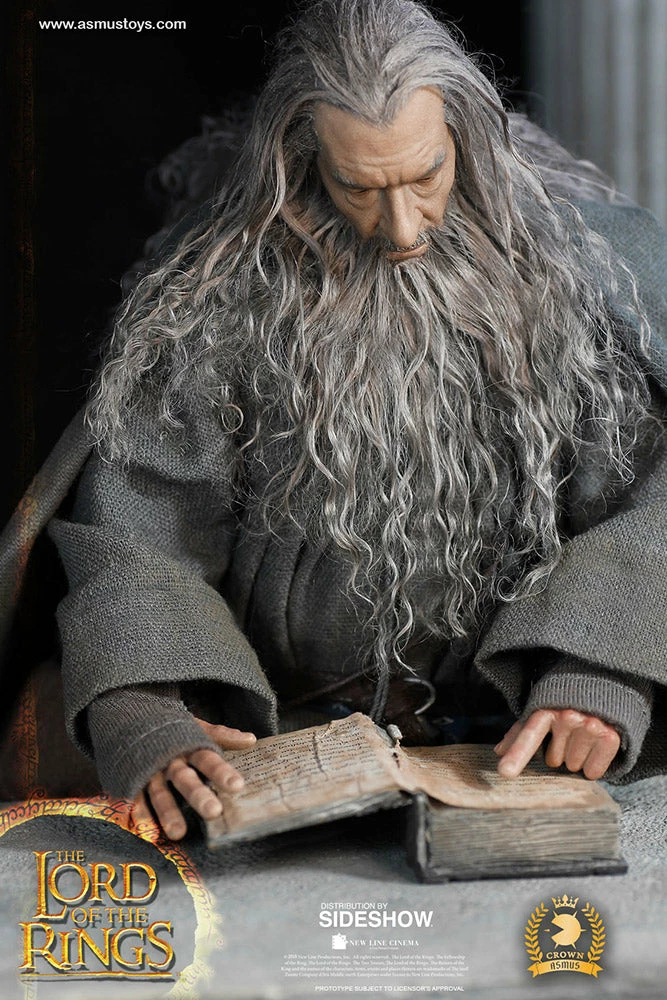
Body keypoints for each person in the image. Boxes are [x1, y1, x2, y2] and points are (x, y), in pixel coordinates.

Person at [6, 0, 667, 840]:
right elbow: (140, 531)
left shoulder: (570, 281)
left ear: (465, 137)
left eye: (424, 177)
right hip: (276, 735)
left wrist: (599, 670)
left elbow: (647, 498)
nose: (402, 229)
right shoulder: (217, 304)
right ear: (299, 160)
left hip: (505, 731)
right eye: (360, 187)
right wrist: (145, 711)